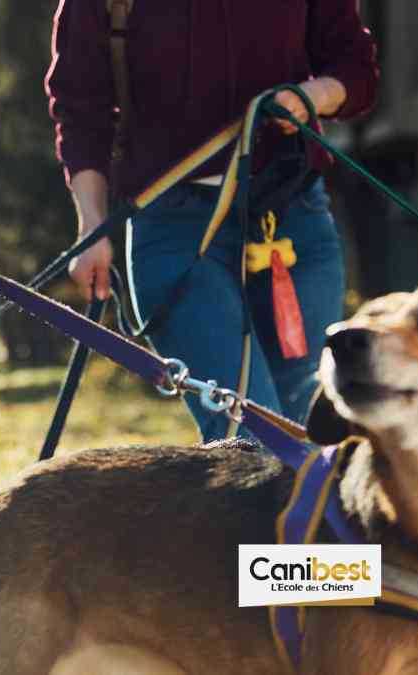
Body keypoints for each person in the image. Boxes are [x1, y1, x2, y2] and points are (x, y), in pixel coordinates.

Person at [46, 0, 379, 441]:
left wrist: (313, 96)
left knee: (314, 432)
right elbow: (80, 109)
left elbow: (355, 69)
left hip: (293, 219)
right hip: (172, 228)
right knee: (254, 440)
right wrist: (92, 226)